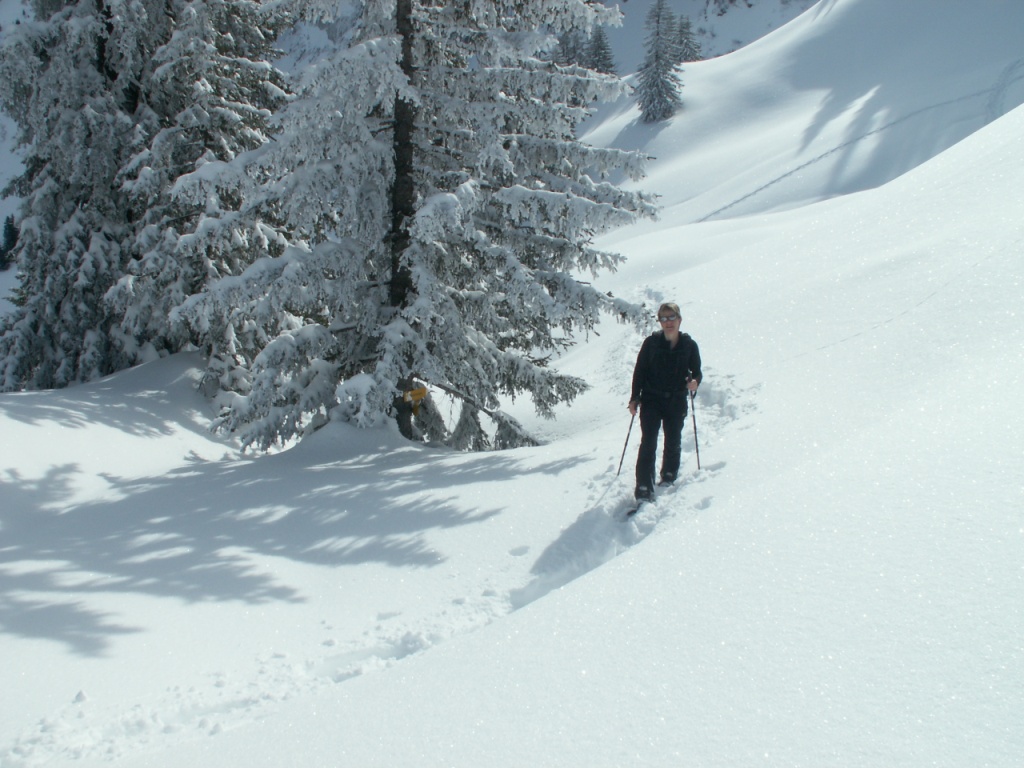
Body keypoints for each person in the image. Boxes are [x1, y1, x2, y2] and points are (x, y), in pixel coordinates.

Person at [628, 302, 702, 502]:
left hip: (676, 399)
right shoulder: (651, 343)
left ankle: (669, 474)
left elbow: (697, 372)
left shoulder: (689, 345)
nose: (668, 322)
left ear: (679, 320)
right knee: (648, 442)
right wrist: (634, 398)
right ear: (659, 321)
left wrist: (695, 382)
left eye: (671, 317)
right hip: (651, 398)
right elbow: (639, 372)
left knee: (673, 439)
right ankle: (643, 486)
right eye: (663, 318)